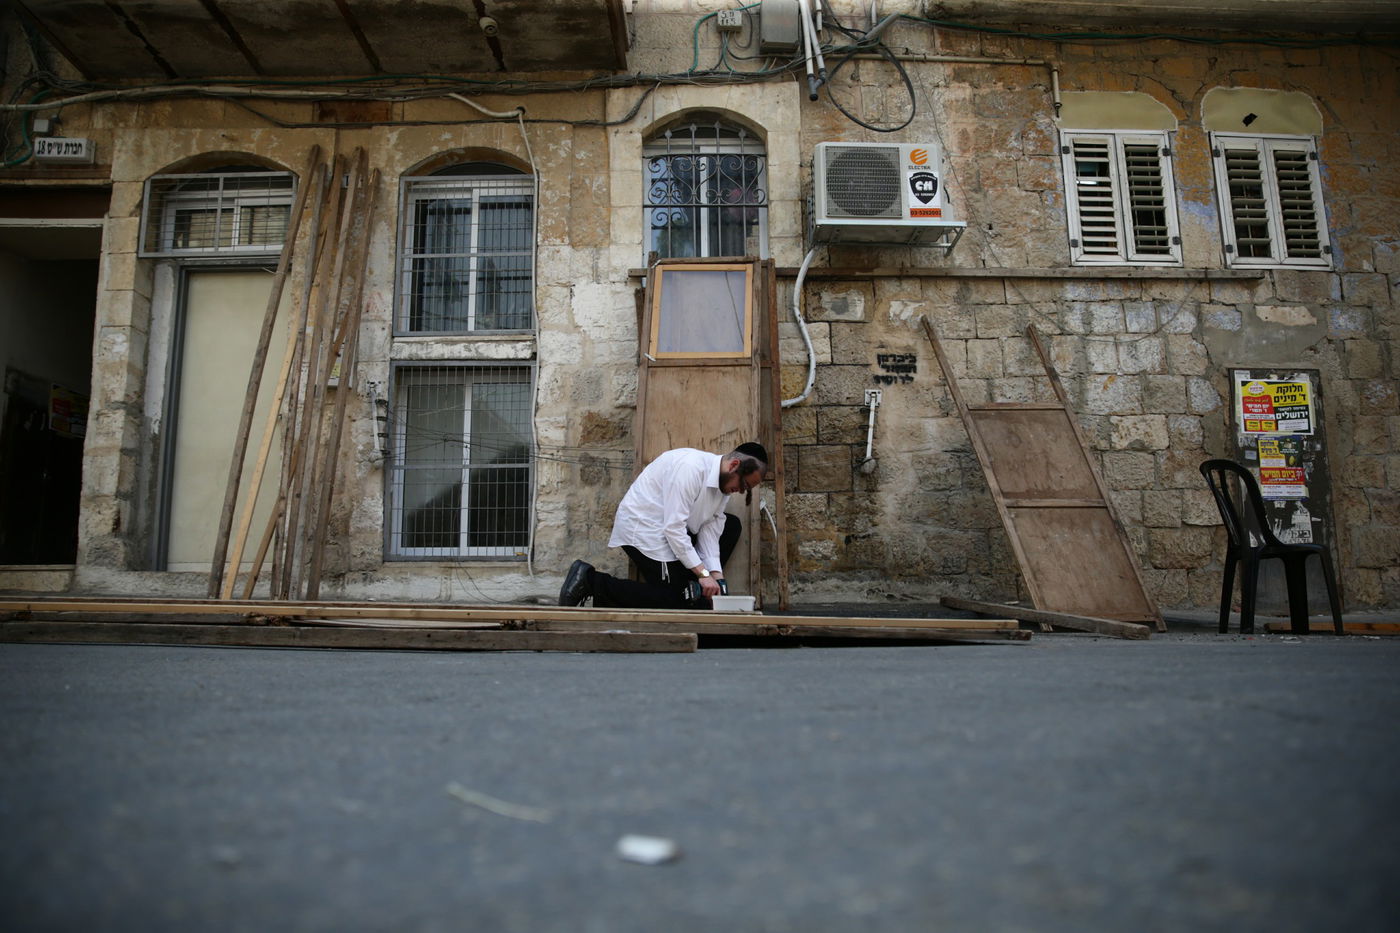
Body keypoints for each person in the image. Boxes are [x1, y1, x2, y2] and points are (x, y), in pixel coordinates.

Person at [558, 442, 769, 609]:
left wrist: (716, 576)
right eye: (744, 484)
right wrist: (702, 575)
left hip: (674, 530)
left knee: (730, 526)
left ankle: (691, 586)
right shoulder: (691, 468)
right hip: (645, 530)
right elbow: (673, 529)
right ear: (733, 465)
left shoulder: (724, 487)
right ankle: (590, 580)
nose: (742, 491)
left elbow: (710, 530)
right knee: (680, 600)